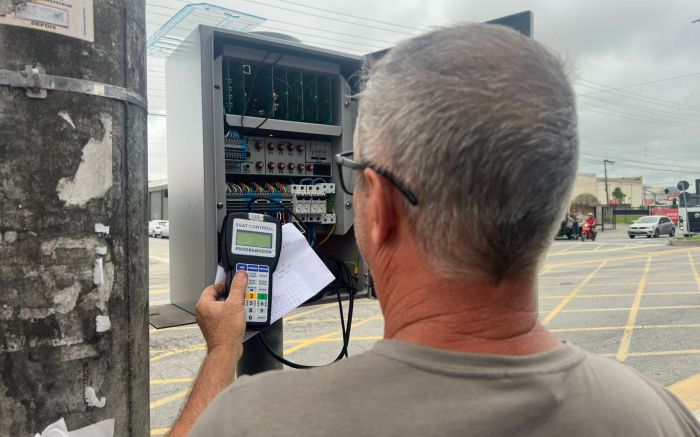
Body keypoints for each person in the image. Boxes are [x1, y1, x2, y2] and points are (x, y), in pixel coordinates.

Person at [170, 24, 700, 436]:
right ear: (551, 208)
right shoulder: (657, 415)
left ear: (379, 208)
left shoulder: (255, 422)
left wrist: (223, 351)